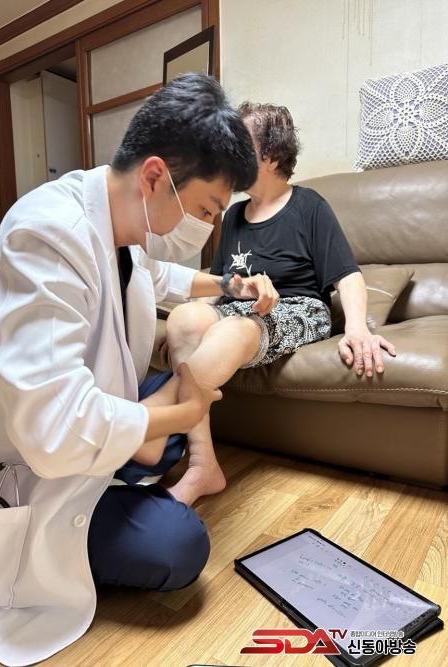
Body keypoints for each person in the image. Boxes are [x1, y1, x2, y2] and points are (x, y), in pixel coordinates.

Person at [0, 74, 277, 667]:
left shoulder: (120, 221)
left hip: (86, 420)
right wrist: (184, 411)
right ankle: (143, 455)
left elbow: (161, 277)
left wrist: (230, 287)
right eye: (205, 209)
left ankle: (144, 451)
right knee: (179, 546)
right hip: (30, 465)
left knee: (170, 396)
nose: (205, 225)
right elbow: (52, 431)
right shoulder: (46, 238)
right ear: (154, 177)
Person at [163, 102, 396, 507]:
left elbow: (347, 274)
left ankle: (151, 422)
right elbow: (219, 286)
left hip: (298, 308)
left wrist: (358, 328)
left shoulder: (309, 206)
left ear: (270, 156)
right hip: (242, 307)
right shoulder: (233, 216)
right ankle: (203, 464)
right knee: (183, 319)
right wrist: (197, 319)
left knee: (231, 329)